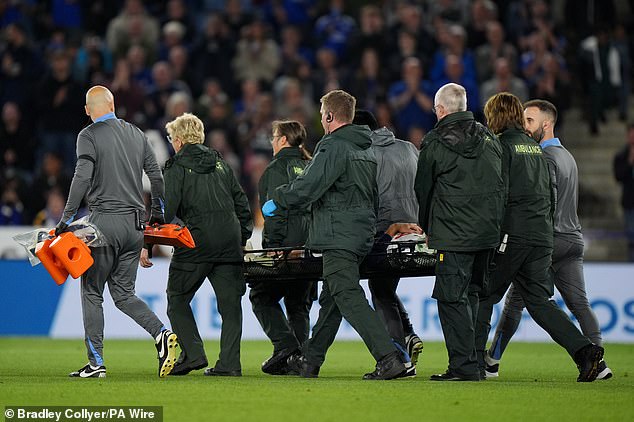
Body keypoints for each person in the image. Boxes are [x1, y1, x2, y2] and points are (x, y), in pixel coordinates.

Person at [263, 89, 406, 380]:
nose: (321, 120)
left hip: (339, 234)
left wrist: (278, 200)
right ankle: (310, 360)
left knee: (346, 294)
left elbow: (310, 186)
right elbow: (372, 194)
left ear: (329, 116)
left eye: (322, 115)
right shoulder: (365, 148)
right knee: (332, 299)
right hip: (361, 231)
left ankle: (389, 358)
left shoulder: (334, 146)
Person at [475, 92, 605, 383]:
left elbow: (499, 194)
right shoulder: (552, 154)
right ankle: (588, 352)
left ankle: (476, 363)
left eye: (530, 119)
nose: (526, 123)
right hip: (553, 236)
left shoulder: (505, 147)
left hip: (525, 235)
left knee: (486, 294)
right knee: (544, 302)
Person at [55, 85, 178, 378]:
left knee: (92, 291)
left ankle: (96, 363)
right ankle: (161, 334)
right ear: (113, 104)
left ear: (88, 110)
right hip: (135, 227)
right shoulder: (137, 134)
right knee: (123, 294)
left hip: (104, 225)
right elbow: (156, 177)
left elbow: (82, 178)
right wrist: (156, 217)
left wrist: (66, 218)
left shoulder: (88, 136)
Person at [141, 113, 253, 377]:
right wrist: (242, 238)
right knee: (231, 307)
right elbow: (242, 204)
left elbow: (166, 212)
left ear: (178, 140)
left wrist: (148, 242)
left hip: (196, 242)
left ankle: (192, 354)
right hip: (228, 242)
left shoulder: (176, 166)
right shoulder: (222, 164)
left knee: (177, 298)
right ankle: (229, 365)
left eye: (171, 138)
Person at [414, 82, 505, 382]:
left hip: (452, 234)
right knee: (474, 294)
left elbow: (422, 189)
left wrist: (427, 227)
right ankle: (475, 361)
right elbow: (502, 185)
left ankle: (464, 367)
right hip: (487, 234)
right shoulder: (490, 139)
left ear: (440, 109)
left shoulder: (436, 142)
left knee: (451, 298)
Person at [352, 109, 424, 374]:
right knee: (383, 287)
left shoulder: (365, 154)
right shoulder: (408, 148)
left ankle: (400, 355)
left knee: (379, 290)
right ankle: (408, 335)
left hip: (386, 230)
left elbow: (366, 197)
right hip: (414, 228)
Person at [249, 120, 315, 375]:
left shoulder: (275, 169)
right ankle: (298, 361)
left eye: (274, 137)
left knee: (261, 296)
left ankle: (286, 347)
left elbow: (274, 212)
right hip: (308, 248)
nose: (272, 142)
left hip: (284, 248)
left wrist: (274, 246)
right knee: (299, 304)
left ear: (284, 140)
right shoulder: (310, 166)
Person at [614, 124, 634, 262]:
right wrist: (630, 162)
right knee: (631, 238)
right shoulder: (621, 156)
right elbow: (618, 176)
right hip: (629, 203)